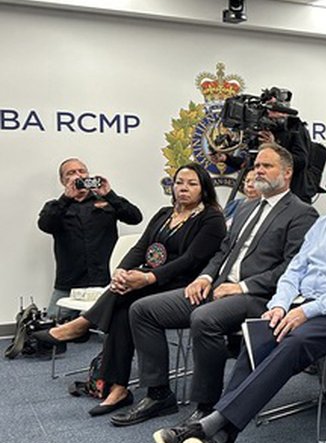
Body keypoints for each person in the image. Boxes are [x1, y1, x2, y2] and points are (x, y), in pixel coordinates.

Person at [151, 164, 326, 443]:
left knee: (294, 342)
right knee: (259, 334)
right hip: (298, 304)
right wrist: (279, 305)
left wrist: (307, 311)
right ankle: (217, 441)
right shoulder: (322, 226)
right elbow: (293, 271)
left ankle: (206, 425)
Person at [112, 144, 318, 427]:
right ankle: (159, 394)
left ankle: (207, 405)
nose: (258, 170)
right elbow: (222, 252)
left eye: (266, 166)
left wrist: (243, 287)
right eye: (256, 165)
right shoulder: (246, 208)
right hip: (217, 287)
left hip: (259, 296)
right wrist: (204, 277)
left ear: (287, 172)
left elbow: (292, 268)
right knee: (142, 310)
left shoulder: (302, 213)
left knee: (203, 318)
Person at [33, 164, 226, 416]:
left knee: (127, 300)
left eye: (192, 183)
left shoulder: (211, 217)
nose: (184, 188)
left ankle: (83, 325)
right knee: (124, 307)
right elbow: (140, 247)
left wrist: (148, 277)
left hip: (185, 284)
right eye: (179, 182)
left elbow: (190, 259)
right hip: (152, 279)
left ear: (204, 188)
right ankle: (118, 387)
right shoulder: (164, 213)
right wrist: (122, 271)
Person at [38, 157, 143, 317]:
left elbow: (135, 218)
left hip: (105, 279)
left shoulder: (107, 201)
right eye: (71, 173)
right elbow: (46, 225)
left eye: (82, 171)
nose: (78, 175)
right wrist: (66, 198)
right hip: (70, 281)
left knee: (111, 327)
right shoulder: (56, 206)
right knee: (52, 324)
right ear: (62, 180)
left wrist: (109, 194)